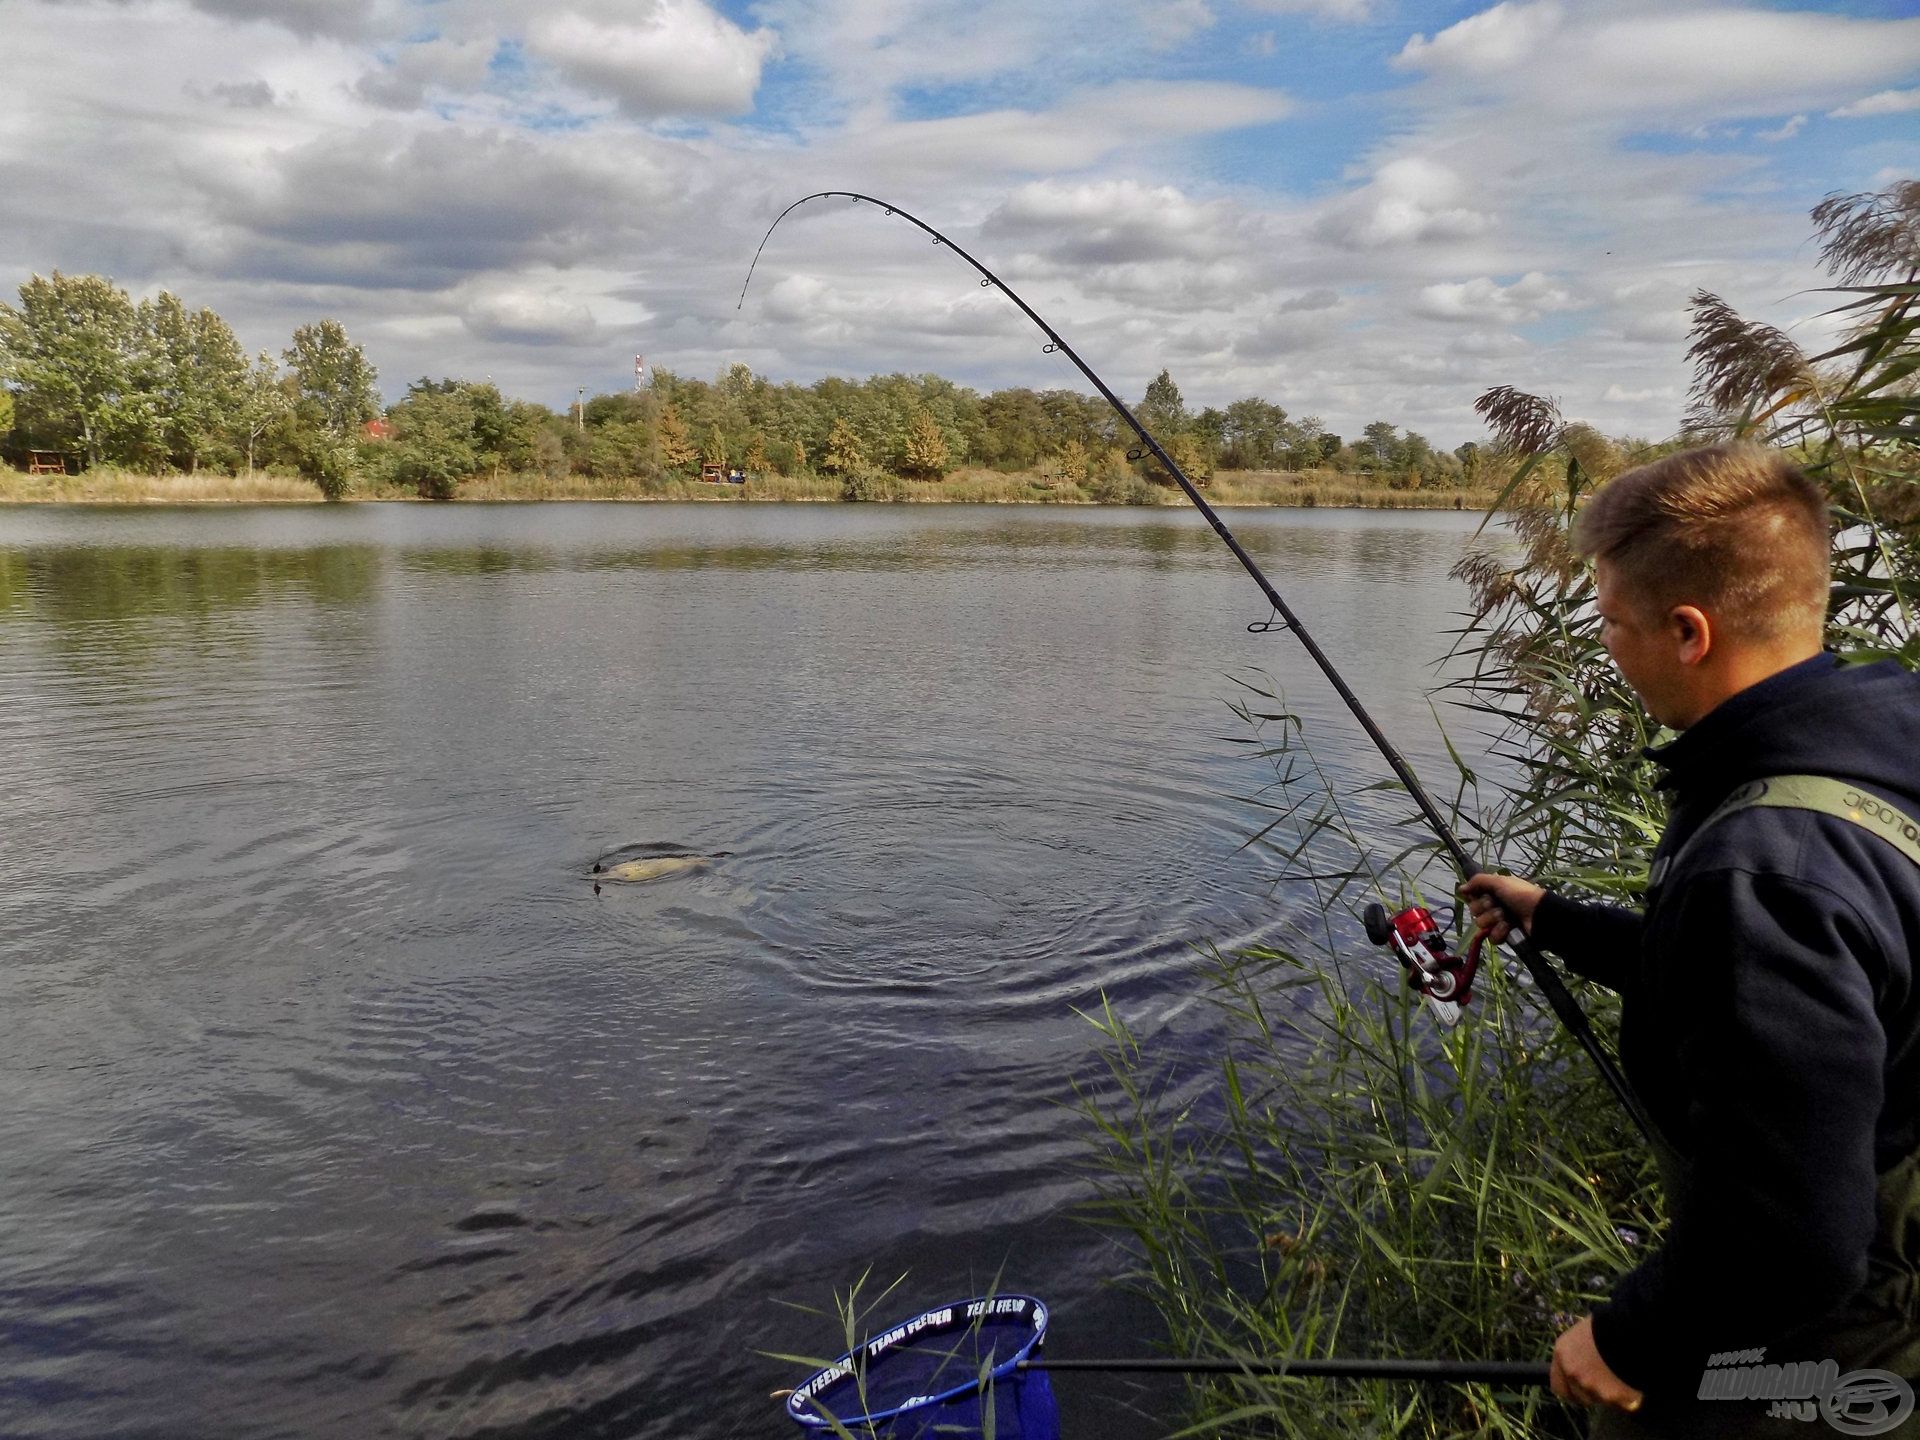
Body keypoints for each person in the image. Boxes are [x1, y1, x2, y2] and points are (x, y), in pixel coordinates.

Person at [1460, 444, 1920, 1435]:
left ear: (1688, 631)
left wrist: (1630, 1338)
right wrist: (1558, 920)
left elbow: (1796, 1237)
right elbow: (1780, 989)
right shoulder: (1873, 743)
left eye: (1616, 625)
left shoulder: (1764, 866)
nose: (1611, 652)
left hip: (1843, 1329)